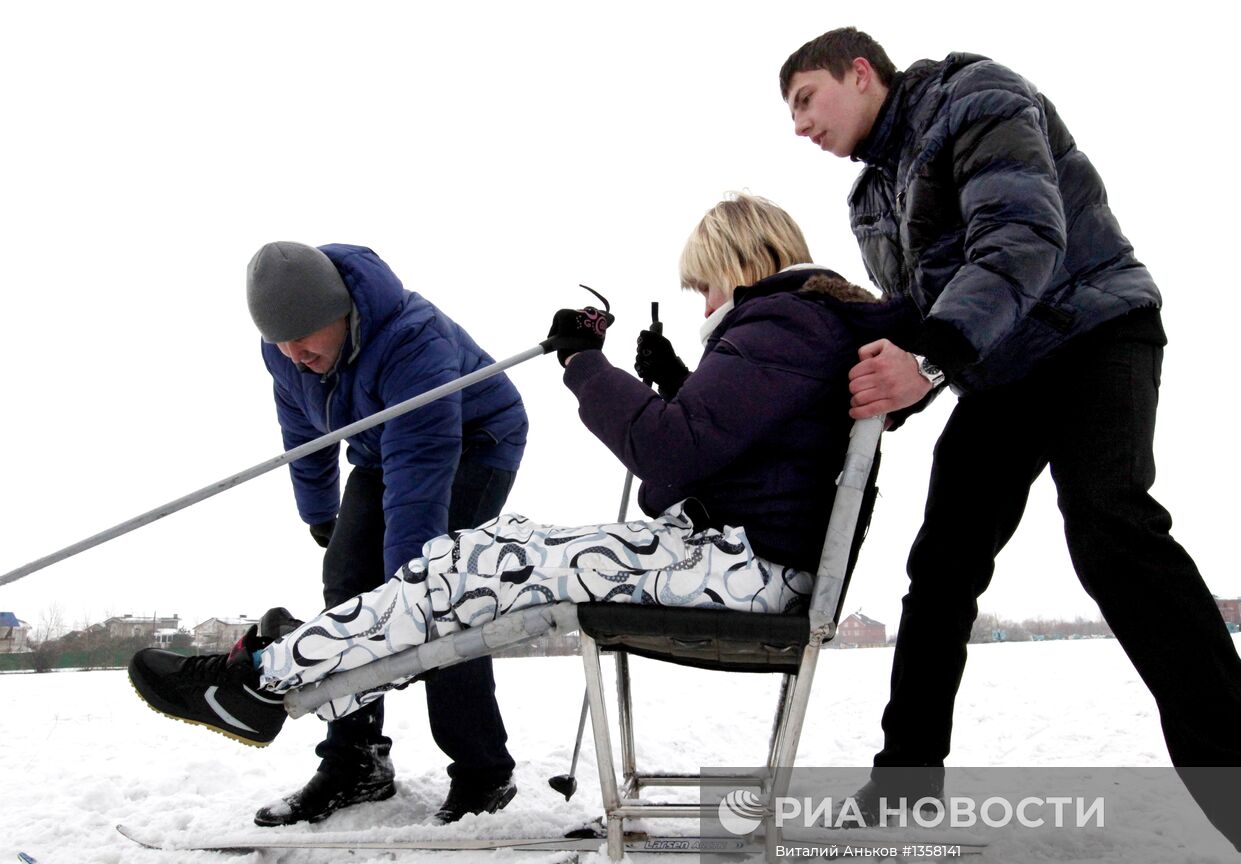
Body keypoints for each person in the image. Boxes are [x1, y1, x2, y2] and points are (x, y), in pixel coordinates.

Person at [778, 27, 1241, 864]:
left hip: (1093, 331)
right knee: (941, 569)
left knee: (1110, 527)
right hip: (1004, 369)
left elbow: (1020, 237)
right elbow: (927, 309)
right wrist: (815, 314)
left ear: (861, 72)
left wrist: (930, 355)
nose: (801, 125)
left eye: (808, 98)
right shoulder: (871, 199)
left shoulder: (975, 99)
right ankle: (905, 788)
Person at [129, 194, 911, 787]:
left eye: (705, 287)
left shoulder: (781, 325)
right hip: (731, 557)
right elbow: (728, 445)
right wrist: (672, 378)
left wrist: (583, 366)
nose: (704, 305)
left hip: (740, 569)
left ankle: (265, 677)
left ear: (741, 264)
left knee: (476, 567)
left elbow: (669, 454)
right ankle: (279, 668)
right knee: (483, 557)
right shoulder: (801, 324)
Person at [250, 242, 527, 826]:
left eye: (306, 336)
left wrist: (412, 578)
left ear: (343, 309)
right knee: (345, 582)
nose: (296, 353)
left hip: (476, 442)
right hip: (380, 450)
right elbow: (303, 432)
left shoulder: (411, 337)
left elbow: (422, 467)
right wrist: (319, 511)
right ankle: (356, 761)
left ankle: (483, 771)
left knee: (442, 595)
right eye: (282, 341)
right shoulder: (286, 355)